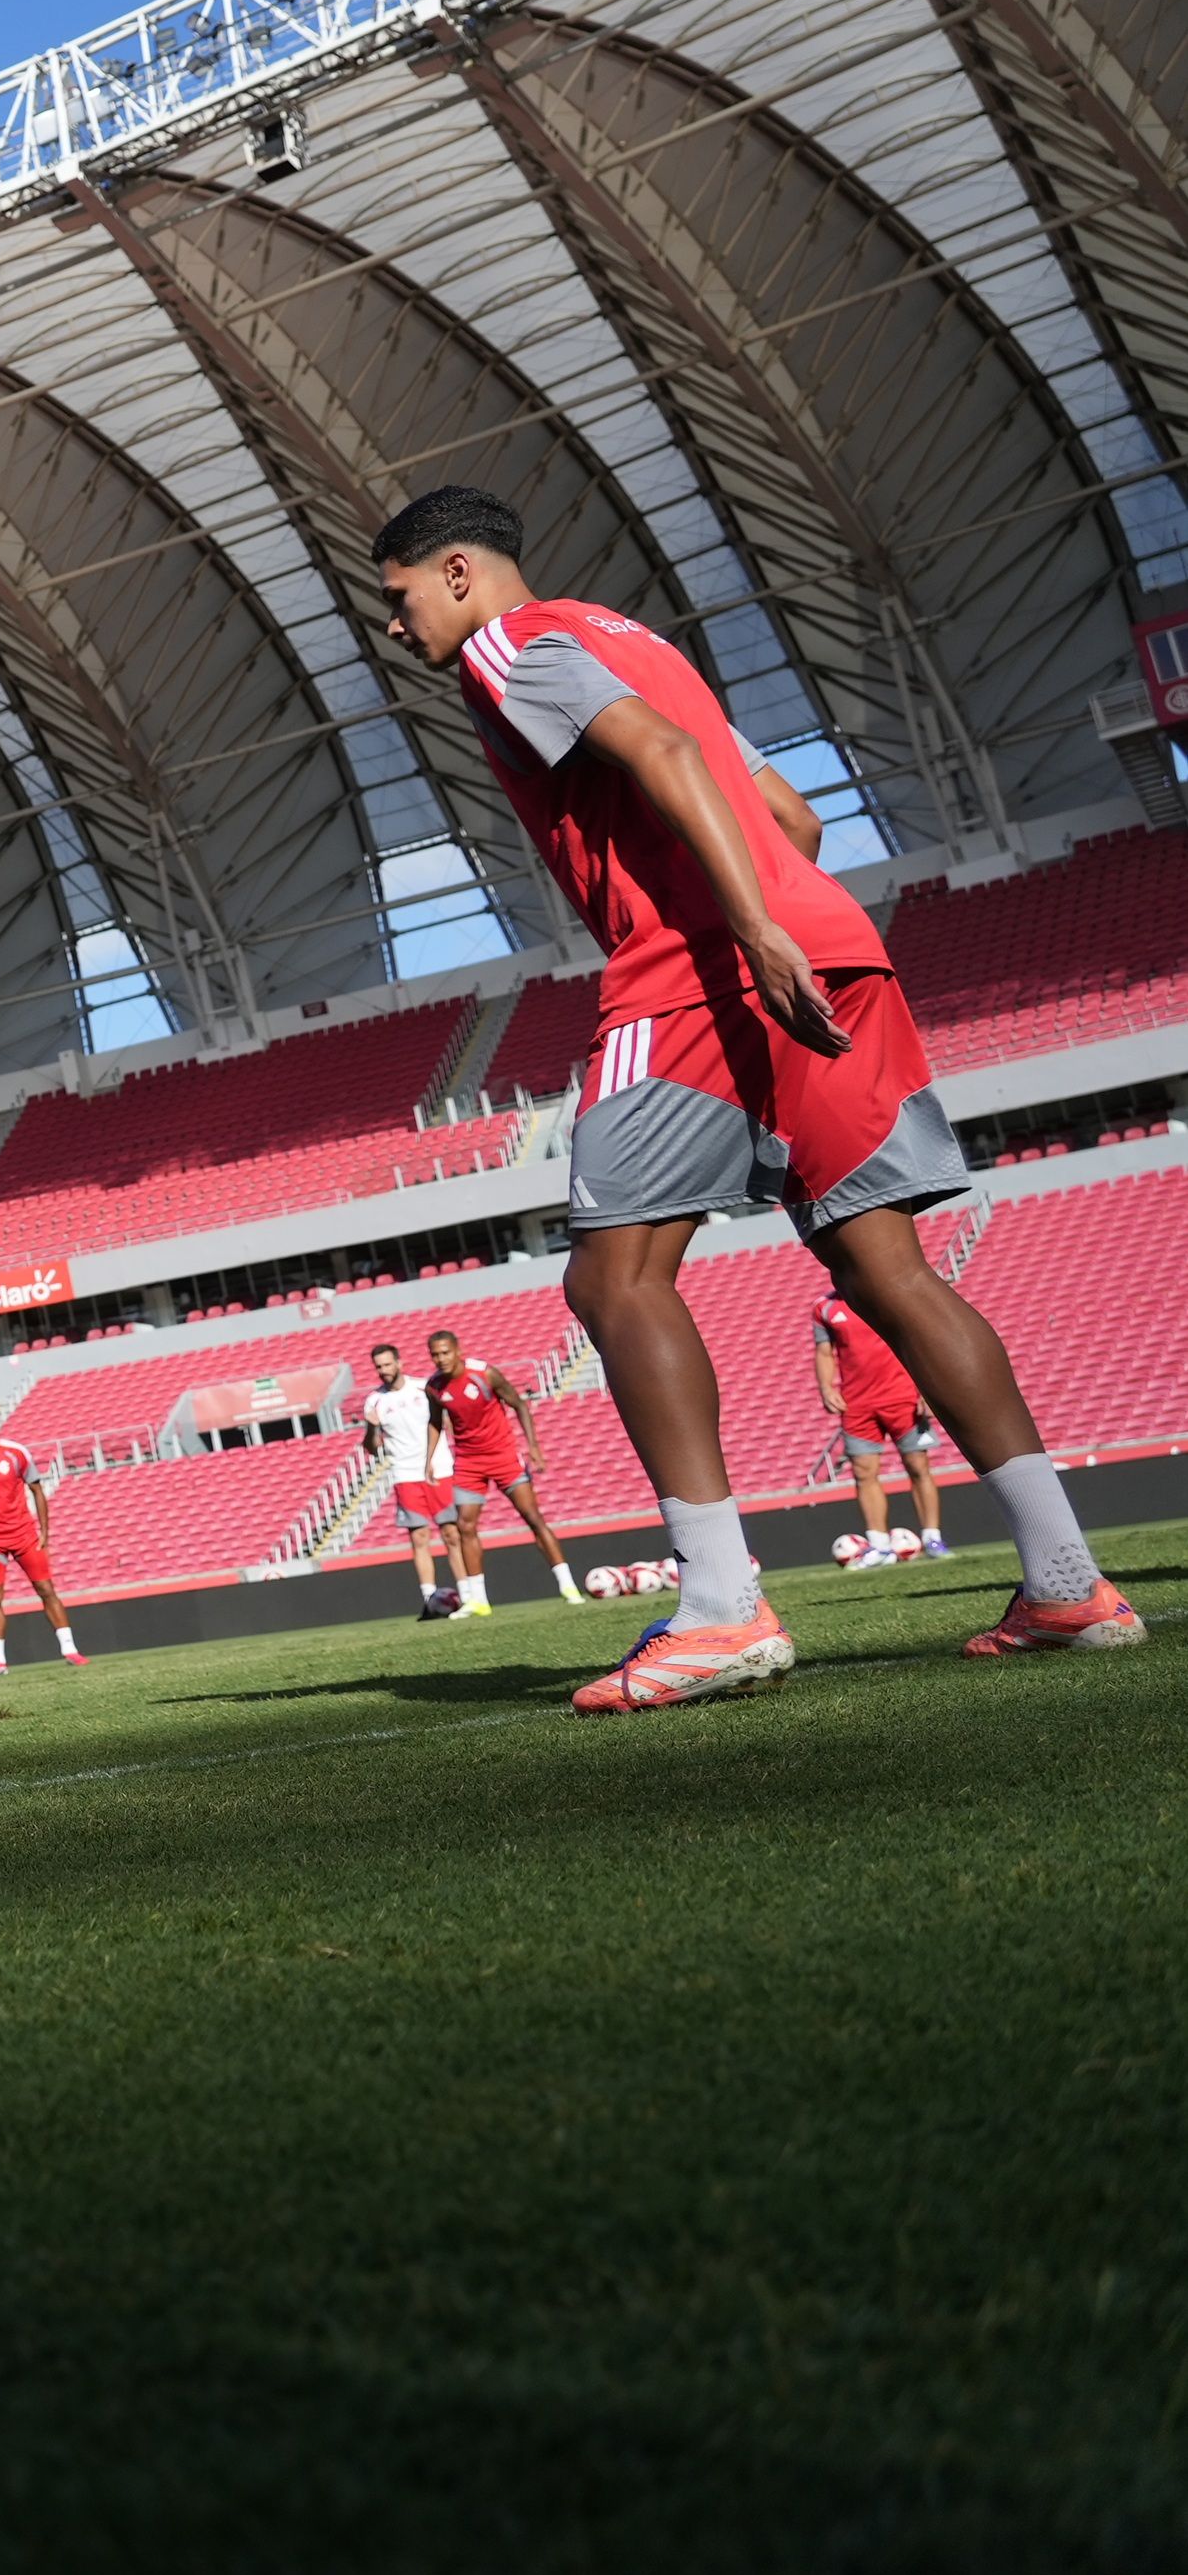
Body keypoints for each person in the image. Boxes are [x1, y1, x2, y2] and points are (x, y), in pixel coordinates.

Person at [372, 486, 1139, 1707]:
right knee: (888, 1269)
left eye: (399, 598)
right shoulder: (636, 638)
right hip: (832, 944)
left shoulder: (510, 646)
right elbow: (788, 811)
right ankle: (1067, 1581)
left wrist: (741, 929)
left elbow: (672, 764)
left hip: (699, 967)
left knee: (611, 1278)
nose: (396, 631)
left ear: (459, 572)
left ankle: (724, 1608)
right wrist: (784, 917)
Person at [424, 1327, 568, 1607]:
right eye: (435, 1355)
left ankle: (567, 1585)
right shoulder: (434, 1387)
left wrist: (533, 1447)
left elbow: (519, 1405)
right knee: (465, 1525)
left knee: (533, 1517)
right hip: (468, 1463)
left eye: (445, 1352)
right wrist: (428, 1458)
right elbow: (434, 1421)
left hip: (503, 1456)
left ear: (458, 1351)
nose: (440, 1359)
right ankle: (478, 1601)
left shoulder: (485, 1374)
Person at [0, 1407, 83, 1676]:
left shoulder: (16, 1453)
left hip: (23, 1534)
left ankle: (70, 1650)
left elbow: (37, 1491)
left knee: (45, 1589)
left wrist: (44, 1531)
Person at [815, 1292, 948, 1561]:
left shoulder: (887, 1293)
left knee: (918, 1466)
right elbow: (824, 1352)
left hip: (903, 1397)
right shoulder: (824, 1308)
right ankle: (879, 1545)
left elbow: (916, 1341)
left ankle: (932, 1538)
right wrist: (826, 1388)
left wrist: (926, 1389)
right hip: (857, 1404)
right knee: (864, 1473)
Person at [360, 1341, 462, 1625]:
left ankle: (469, 1594)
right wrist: (372, 1426)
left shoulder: (423, 1387)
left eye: (388, 1364)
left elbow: (448, 1422)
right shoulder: (374, 1401)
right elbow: (371, 1447)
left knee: (452, 1533)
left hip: (439, 1468)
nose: (384, 1370)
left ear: (400, 1362)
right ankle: (430, 1601)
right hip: (404, 1474)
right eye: (379, 1366)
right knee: (418, 1537)